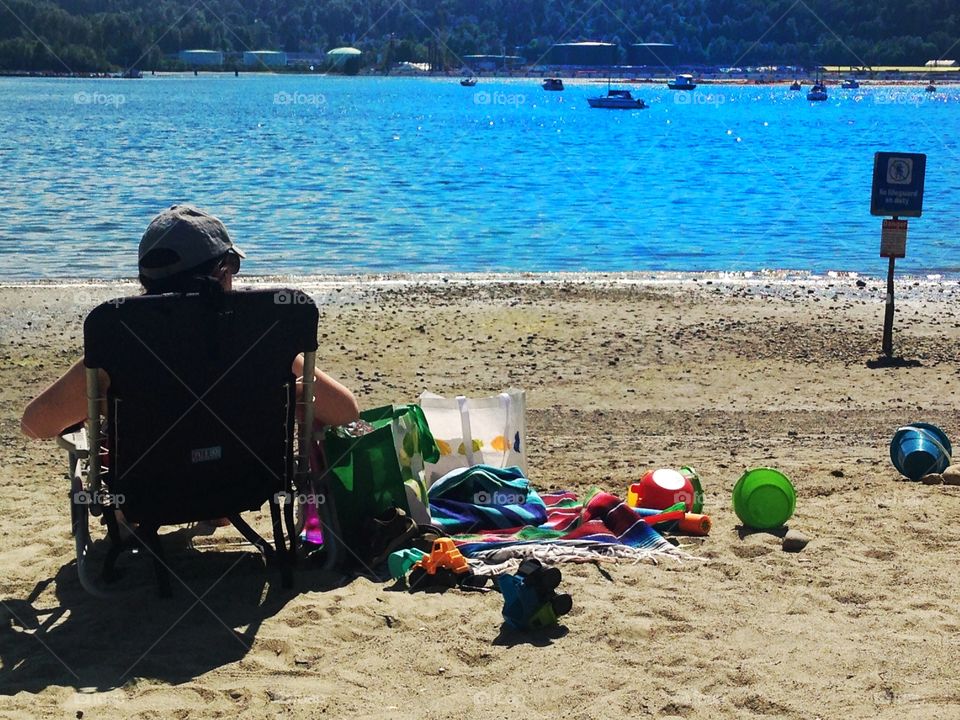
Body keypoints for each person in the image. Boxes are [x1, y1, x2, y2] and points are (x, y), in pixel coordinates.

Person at [21, 204, 359, 439]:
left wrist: (96, 405)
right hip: (245, 483)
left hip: (150, 492)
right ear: (224, 272)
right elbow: (346, 412)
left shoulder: (122, 340)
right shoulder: (258, 333)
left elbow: (35, 425)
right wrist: (289, 398)